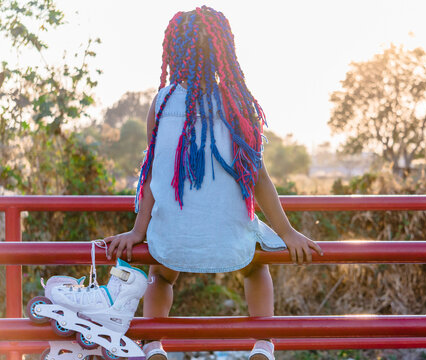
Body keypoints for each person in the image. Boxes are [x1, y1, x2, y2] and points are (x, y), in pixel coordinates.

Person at [104, 6, 323, 360]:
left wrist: (137, 231)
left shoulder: (161, 104)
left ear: (176, 51)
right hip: (231, 242)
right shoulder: (238, 104)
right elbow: (260, 177)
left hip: (173, 242)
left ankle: (154, 343)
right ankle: (263, 344)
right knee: (257, 266)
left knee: (159, 275)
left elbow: (150, 176)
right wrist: (288, 234)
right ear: (225, 52)